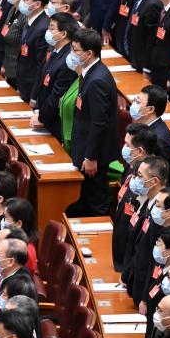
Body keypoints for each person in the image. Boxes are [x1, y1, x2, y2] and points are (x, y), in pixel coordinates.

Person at [67, 28, 120, 215]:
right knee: (87, 198)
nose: (72, 53)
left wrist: (91, 157)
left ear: (89, 53)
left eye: (75, 50)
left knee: (96, 200)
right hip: (85, 146)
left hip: (95, 155)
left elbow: (99, 122)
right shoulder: (89, 72)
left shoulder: (98, 80)